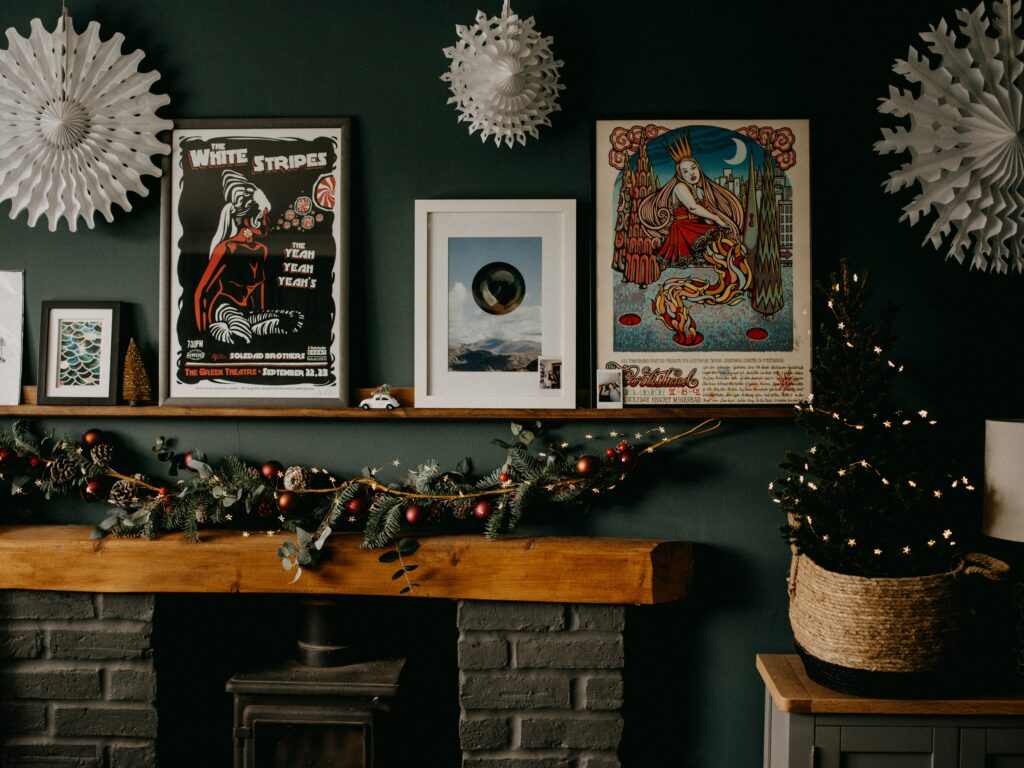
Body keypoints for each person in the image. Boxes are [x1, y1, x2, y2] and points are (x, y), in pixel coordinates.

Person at [638, 133, 745, 266]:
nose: (691, 173)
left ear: (699, 168)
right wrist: (717, 218)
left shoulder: (700, 190)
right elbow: (693, 207)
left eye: (693, 168)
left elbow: (704, 215)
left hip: (696, 226)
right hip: (682, 227)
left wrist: (715, 220)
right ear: (680, 174)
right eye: (685, 171)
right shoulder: (680, 187)